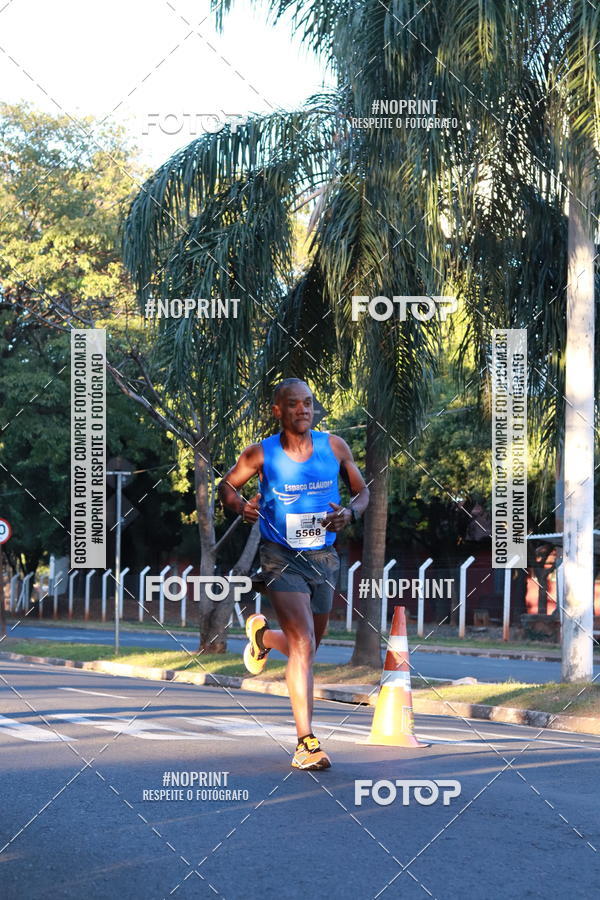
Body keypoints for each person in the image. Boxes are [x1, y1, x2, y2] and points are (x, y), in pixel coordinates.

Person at [218, 378, 369, 770]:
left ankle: (262, 636)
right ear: (278, 410)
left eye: (307, 403)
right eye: (293, 404)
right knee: (302, 643)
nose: (303, 409)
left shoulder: (334, 446)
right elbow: (227, 486)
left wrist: (350, 513)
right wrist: (239, 506)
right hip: (279, 555)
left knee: (313, 643)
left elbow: (361, 492)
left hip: (323, 556)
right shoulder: (260, 454)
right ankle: (306, 742)